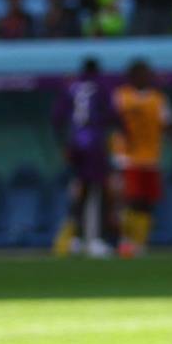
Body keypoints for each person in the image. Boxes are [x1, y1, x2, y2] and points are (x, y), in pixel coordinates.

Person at [111, 59, 172, 257]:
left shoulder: (158, 98)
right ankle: (125, 242)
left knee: (147, 202)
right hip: (126, 157)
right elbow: (109, 120)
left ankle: (140, 243)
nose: (148, 77)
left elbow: (167, 124)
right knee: (130, 200)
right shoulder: (120, 96)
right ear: (133, 76)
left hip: (150, 158)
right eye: (144, 74)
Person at [52, 58, 119, 258]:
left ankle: (76, 239)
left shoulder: (71, 87)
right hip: (94, 143)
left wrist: (63, 145)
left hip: (75, 143)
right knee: (99, 190)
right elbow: (112, 115)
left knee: (80, 189)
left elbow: (56, 118)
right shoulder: (101, 86)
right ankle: (96, 240)